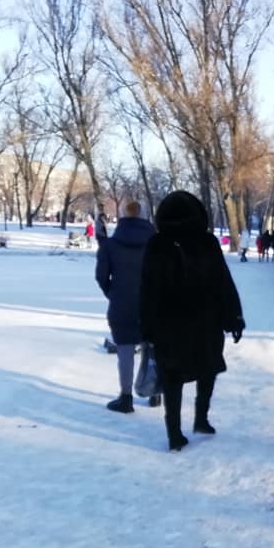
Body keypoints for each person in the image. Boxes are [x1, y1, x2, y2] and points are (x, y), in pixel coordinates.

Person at [140, 190, 245, 451]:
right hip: (204, 322)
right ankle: (201, 419)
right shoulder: (206, 242)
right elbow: (224, 283)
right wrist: (234, 317)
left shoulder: (157, 244)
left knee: (173, 379)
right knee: (206, 370)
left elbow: (146, 289)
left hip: (169, 325)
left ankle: (175, 434)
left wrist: (147, 326)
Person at [96, 200, 157, 413]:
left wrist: (113, 293)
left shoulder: (110, 245)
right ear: (143, 215)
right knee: (153, 349)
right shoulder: (158, 244)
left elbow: (101, 276)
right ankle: (155, 392)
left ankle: (126, 397)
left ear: (123, 215)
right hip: (153, 305)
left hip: (122, 304)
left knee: (125, 351)